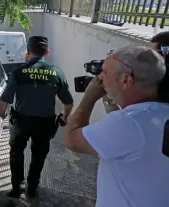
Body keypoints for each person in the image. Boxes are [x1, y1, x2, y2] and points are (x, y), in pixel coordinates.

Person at [64, 45, 169, 207]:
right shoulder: (157, 114)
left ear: (126, 80)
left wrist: (89, 97)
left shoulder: (128, 123)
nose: (99, 78)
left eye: (104, 73)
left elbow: (72, 139)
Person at [0, 36, 74, 198]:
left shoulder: (18, 72)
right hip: (45, 124)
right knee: (38, 156)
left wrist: (1, 115)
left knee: (16, 153)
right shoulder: (57, 73)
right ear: (47, 52)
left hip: (21, 122)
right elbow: (68, 103)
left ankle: (18, 187)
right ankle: (32, 187)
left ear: (28, 51)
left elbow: (3, 102)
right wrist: (64, 117)